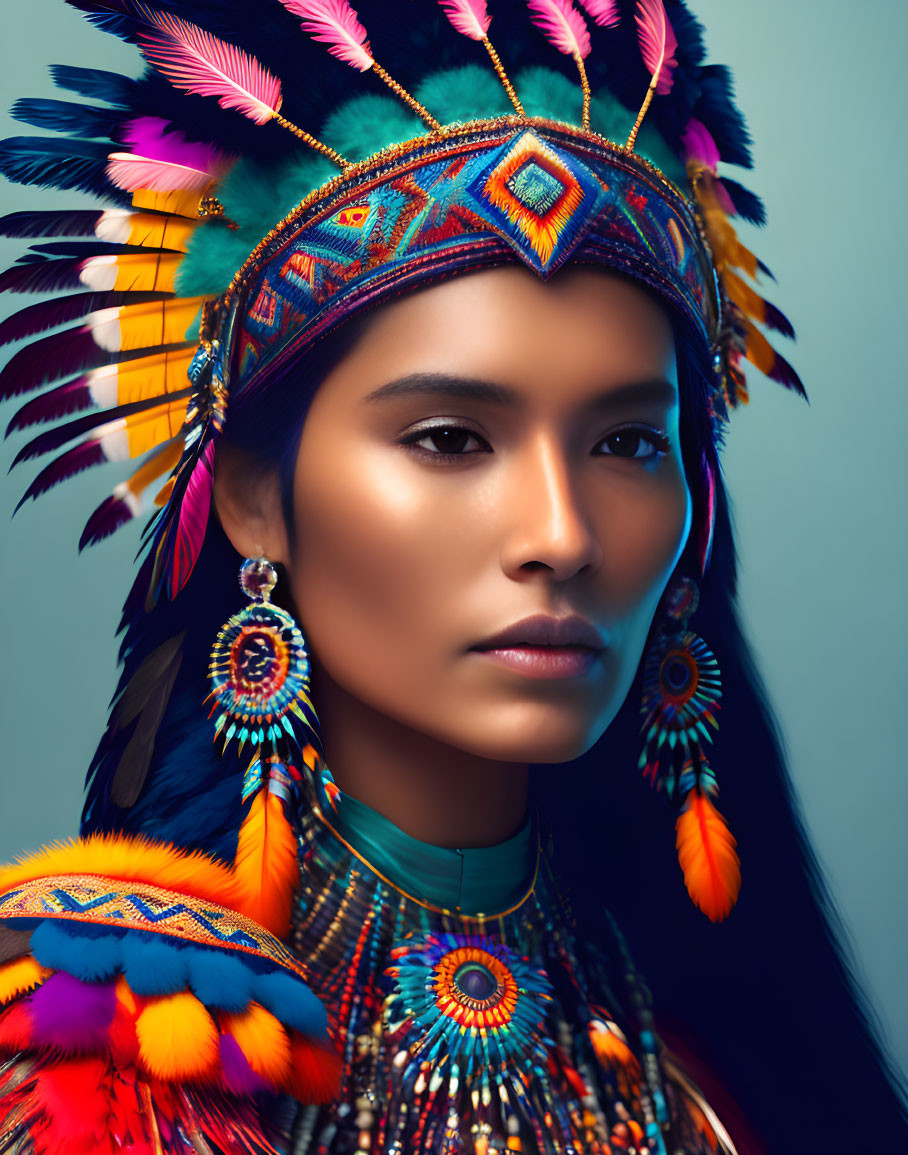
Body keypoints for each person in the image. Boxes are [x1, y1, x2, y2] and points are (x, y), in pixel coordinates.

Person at [0, 1, 904, 1152]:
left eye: (626, 444)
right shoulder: (101, 1051)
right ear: (252, 498)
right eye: (448, 439)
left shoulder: (711, 1058)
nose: (559, 532)